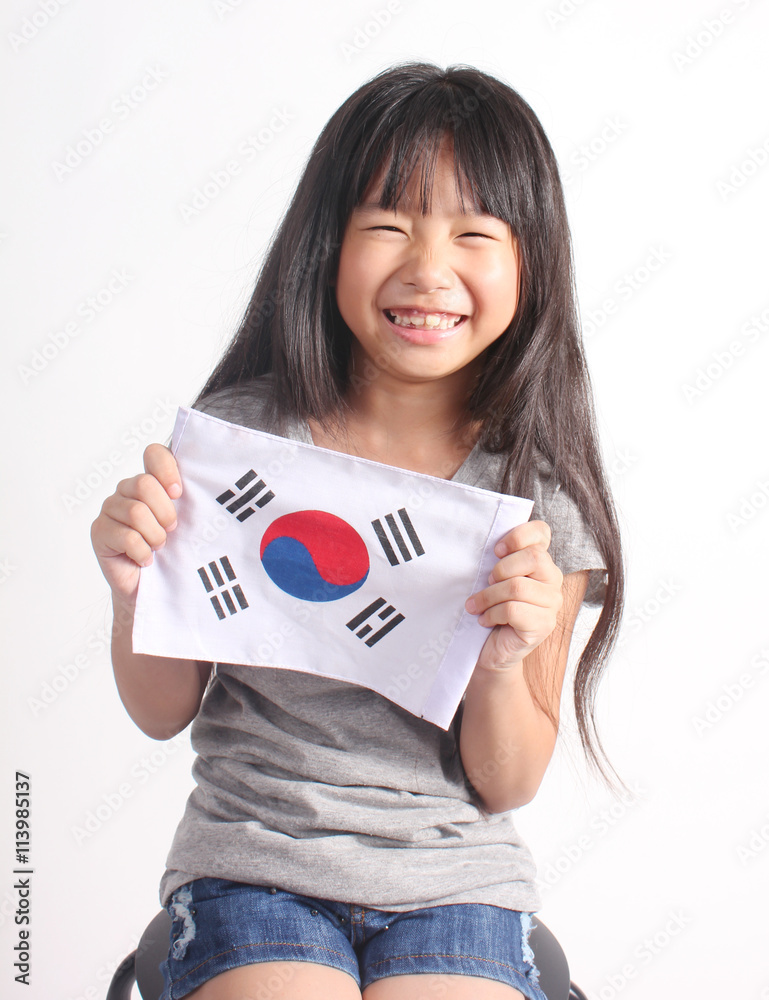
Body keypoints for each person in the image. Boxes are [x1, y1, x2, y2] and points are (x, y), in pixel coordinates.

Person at [91, 62, 624, 1000]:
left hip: (456, 887)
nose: (427, 269)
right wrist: (134, 588)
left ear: (529, 261)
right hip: (250, 867)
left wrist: (505, 657)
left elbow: (506, 782)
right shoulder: (245, 442)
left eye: (473, 232)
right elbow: (161, 708)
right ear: (324, 247)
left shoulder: (536, 496)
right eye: (386, 226)